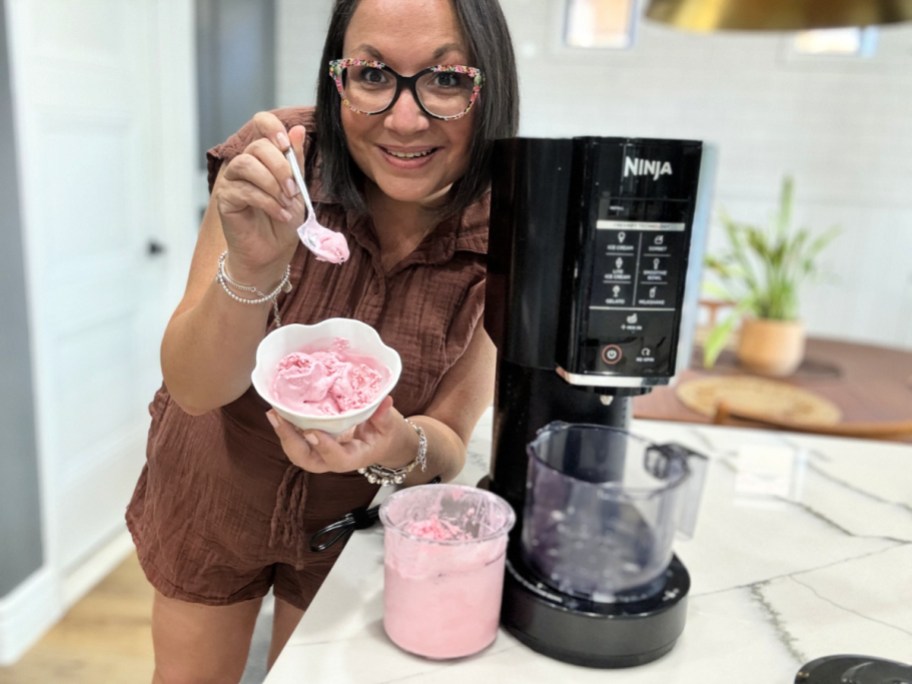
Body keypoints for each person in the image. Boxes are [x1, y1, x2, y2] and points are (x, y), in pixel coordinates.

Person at [125, 0, 519, 681]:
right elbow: (195, 387)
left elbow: (450, 435)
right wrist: (254, 268)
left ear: (493, 88)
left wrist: (396, 447)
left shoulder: (509, 227)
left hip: (349, 530)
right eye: (371, 74)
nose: (403, 118)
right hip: (212, 492)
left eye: (448, 81)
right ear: (336, 76)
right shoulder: (276, 163)